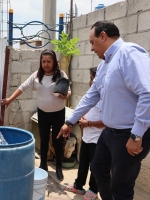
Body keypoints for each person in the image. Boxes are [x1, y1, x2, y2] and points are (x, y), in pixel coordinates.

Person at [57, 21, 150, 200]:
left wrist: (136, 135)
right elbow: (91, 95)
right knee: (98, 169)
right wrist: (70, 121)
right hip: (109, 133)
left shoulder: (128, 53)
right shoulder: (104, 65)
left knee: (121, 186)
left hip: (129, 133)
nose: (91, 48)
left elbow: (147, 93)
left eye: (92, 42)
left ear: (103, 36)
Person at [1, 49, 71, 181]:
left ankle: (59, 168)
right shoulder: (37, 76)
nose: (45, 64)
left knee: (58, 141)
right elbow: (23, 87)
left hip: (58, 114)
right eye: (43, 61)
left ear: (54, 62)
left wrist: (65, 95)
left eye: (48, 61)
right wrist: (10, 99)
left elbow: (68, 91)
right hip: (43, 113)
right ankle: (43, 165)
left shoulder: (61, 74)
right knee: (43, 140)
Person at [64, 67, 105, 200]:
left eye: (93, 79)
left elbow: (107, 121)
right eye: (90, 79)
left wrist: (88, 124)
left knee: (95, 167)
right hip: (87, 136)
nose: (90, 82)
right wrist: (82, 122)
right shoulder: (92, 95)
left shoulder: (106, 98)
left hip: (98, 139)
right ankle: (79, 185)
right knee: (83, 163)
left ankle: (93, 190)